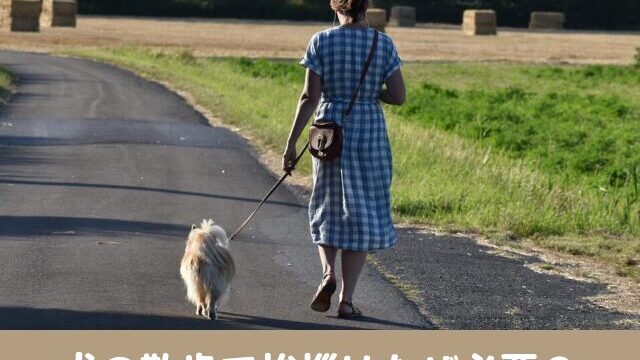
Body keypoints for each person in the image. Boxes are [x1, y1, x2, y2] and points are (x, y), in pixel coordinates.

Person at [282, 0, 406, 319]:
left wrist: (290, 145)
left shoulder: (321, 40)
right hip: (369, 134)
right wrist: (369, 93)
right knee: (361, 211)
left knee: (327, 204)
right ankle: (347, 301)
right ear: (367, 7)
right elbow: (398, 96)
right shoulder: (383, 43)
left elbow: (309, 96)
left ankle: (327, 274)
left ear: (334, 6)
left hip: (328, 134)